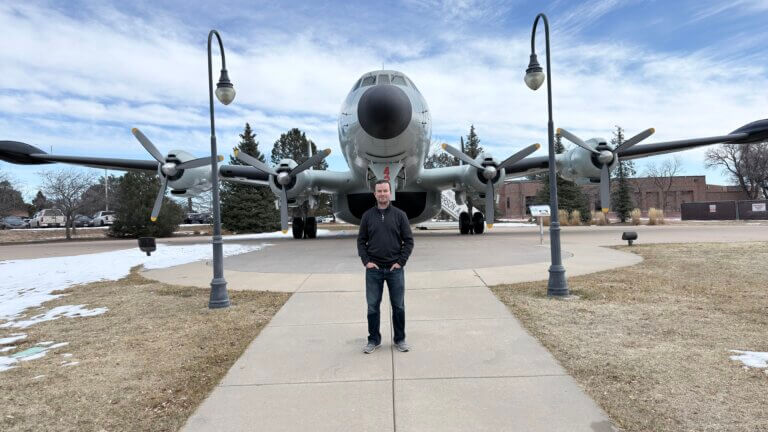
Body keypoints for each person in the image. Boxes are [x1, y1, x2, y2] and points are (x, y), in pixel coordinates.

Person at [357, 179, 414, 354]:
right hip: (373, 270)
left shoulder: (400, 215)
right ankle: (373, 340)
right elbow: (361, 241)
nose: (382, 194)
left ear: (390, 193)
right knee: (372, 307)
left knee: (398, 306)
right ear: (375, 194)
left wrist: (400, 262)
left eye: (385, 191)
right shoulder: (367, 216)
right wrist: (366, 261)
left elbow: (409, 241)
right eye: (379, 191)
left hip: (394, 270)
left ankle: (400, 339)